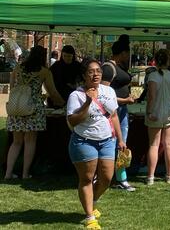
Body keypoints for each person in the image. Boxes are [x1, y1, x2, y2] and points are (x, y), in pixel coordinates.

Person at [67, 59, 126, 230]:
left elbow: (113, 115)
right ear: (84, 75)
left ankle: (92, 202)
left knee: (106, 178)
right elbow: (73, 120)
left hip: (107, 140)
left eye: (98, 71)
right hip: (83, 141)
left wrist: (121, 140)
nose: (96, 74)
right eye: (91, 71)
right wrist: (87, 102)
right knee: (86, 179)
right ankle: (90, 217)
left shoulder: (109, 91)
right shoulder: (76, 95)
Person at [4, 46, 64, 180]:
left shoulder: (18, 68)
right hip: (33, 109)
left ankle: (8, 173)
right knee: (30, 141)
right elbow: (52, 92)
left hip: (17, 107)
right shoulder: (44, 72)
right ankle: (25, 174)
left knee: (16, 142)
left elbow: (12, 86)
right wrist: (62, 102)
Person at [100, 36, 135, 192]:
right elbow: (104, 95)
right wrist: (124, 100)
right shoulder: (108, 68)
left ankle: (121, 177)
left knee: (122, 145)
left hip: (122, 111)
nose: (128, 56)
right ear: (122, 53)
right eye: (127, 53)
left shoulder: (120, 67)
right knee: (111, 144)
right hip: (113, 112)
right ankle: (108, 176)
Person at [145, 49, 170, 185]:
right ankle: (169, 175)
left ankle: (150, 177)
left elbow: (151, 97)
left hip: (156, 112)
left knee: (154, 145)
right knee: (169, 144)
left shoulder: (153, 76)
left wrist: (149, 112)